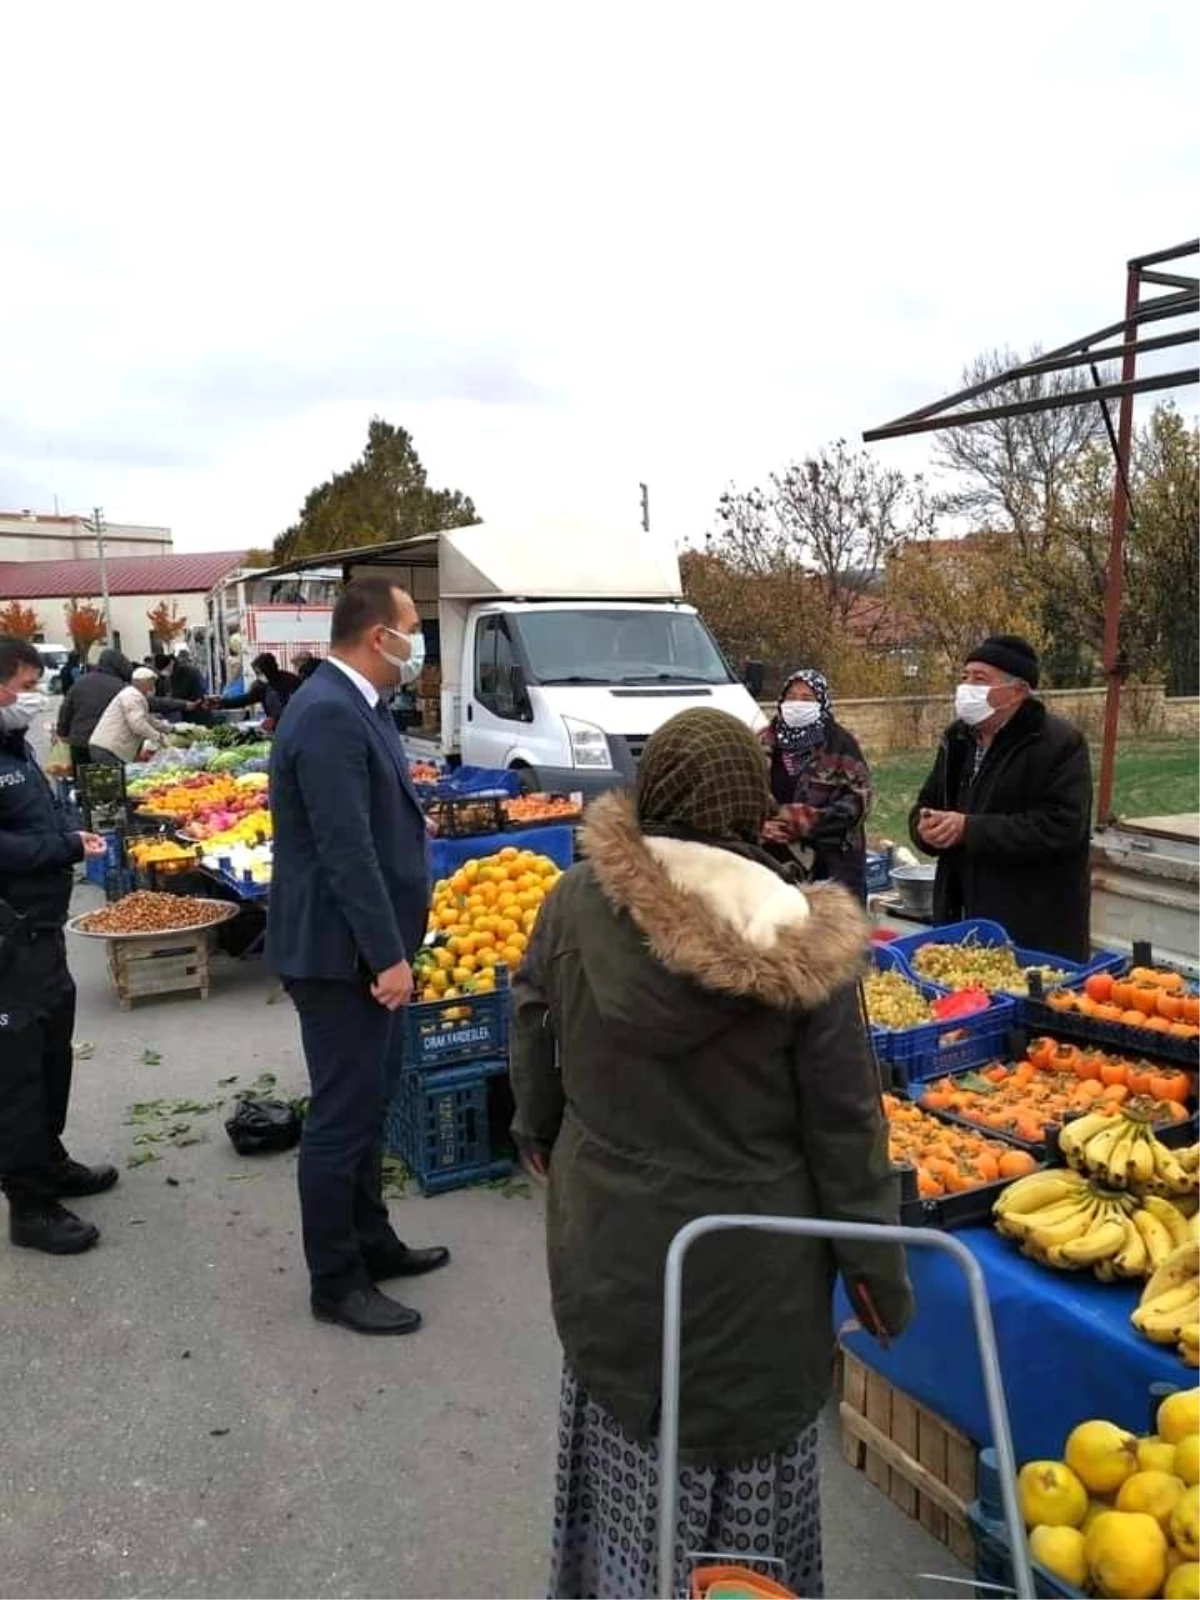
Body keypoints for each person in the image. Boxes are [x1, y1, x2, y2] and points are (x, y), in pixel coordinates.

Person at [511, 707, 912, 1600]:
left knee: (621, 1449)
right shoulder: (804, 946)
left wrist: (537, 1132)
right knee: (738, 1515)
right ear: (749, 804)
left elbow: (533, 1021)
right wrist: (880, 1280)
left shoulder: (576, 900)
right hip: (749, 1284)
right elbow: (847, 1130)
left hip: (607, 1247)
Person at [266, 577, 447, 1335]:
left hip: (367, 950)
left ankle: (371, 1238)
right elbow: (347, 854)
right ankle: (335, 1280)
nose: (418, 641)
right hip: (341, 956)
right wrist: (386, 957)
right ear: (380, 637)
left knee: (371, 1103)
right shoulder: (329, 715)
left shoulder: (357, 707)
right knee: (341, 1118)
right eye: (413, 627)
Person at [0, 635, 116, 1256]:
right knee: (16, 1070)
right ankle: (30, 1204)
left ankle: (50, 1158)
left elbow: (29, 823)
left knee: (51, 1053)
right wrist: (66, 847)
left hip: (40, 932)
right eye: (20, 687)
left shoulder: (15, 747)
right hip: (7, 943)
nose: (29, 700)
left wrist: (66, 832)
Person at [910, 634, 1093, 960]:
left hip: (1032, 927)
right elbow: (928, 801)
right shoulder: (958, 739)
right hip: (961, 919)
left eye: (980, 679)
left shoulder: (1058, 744)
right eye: (964, 677)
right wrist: (924, 828)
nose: (966, 688)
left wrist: (970, 829)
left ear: (1018, 691)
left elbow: (1062, 827)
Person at [761, 667, 873, 901]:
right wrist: (759, 826)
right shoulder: (763, 741)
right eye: (791, 697)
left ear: (821, 702)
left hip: (833, 866)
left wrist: (801, 820)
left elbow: (858, 802)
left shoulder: (841, 744)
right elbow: (743, 793)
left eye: (806, 698)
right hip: (771, 865)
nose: (797, 703)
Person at [56, 647, 134, 775]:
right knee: (110, 782)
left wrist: (62, 732)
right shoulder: (121, 687)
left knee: (84, 782)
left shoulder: (80, 682)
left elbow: (66, 710)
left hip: (80, 742)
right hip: (108, 746)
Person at [89, 667, 172, 766]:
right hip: (109, 750)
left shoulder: (134, 695)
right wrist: (158, 737)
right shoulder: (132, 696)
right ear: (144, 682)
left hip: (109, 748)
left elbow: (147, 719)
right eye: (152, 683)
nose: (153, 687)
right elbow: (138, 724)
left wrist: (169, 729)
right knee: (116, 780)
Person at [220, 652, 301, 726]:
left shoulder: (290, 681)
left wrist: (276, 719)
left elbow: (295, 707)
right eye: (256, 673)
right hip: (274, 728)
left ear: (268, 670)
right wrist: (223, 703)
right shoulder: (261, 686)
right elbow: (246, 699)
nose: (258, 676)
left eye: (259, 673)